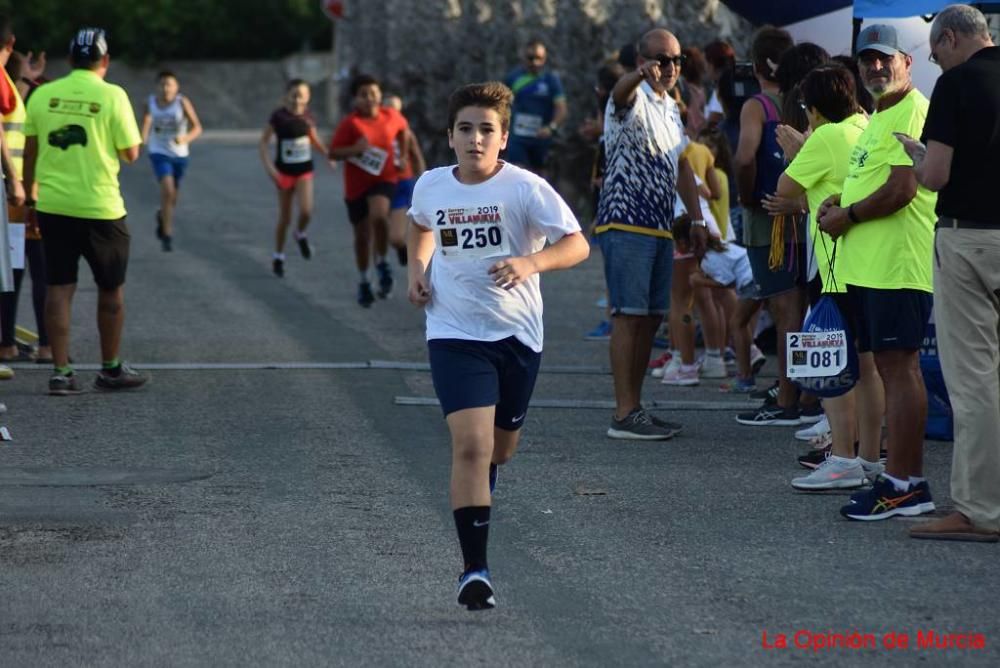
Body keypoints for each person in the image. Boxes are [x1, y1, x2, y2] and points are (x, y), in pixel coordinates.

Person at [406, 81, 589, 609]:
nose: (476, 139)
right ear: (450, 136)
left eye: (487, 130)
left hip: (516, 336)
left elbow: (577, 243)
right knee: (470, 446)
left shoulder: (525, 188)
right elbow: (418, 224)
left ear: (504, 138)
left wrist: (531, 262)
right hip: (453, 333)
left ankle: (481, 479)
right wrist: (417, 269)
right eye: (466, 129)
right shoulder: (432, 186)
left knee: (499, 451)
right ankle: (474, 571)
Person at [815, 25, 937, 520]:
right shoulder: (882, 114)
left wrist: (849, 215)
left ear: (907, 62)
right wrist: (838, 201)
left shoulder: (913, 109)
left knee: (900, 369)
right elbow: (872, 181)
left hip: (897, 265)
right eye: (867, 60)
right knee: (890, 369)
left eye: (886, 59)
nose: (877, 67)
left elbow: (902, 188)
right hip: (871, 268)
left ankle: (906, 484)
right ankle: (897, 479)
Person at [899, 5, 1000, 541]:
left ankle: (982, 511)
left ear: (954, 38)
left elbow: (934, 178)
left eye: (936, 53)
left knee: (976, 381)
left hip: (968, 238)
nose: (936, 63)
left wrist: (917, 158)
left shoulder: (956, 85)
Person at [766, 64, 885, 490]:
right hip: (868, 264)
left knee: (831, 360)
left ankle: (842, 458)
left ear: (812, 109)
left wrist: (801, 149)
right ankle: (870, 457)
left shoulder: (826, 136)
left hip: (833, 265)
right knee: (869, 366)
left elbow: (784, 188)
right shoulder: (865, 125)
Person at [22, 27, 148, 395]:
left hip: (53, 205)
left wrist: (31, 198)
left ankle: (61, 372)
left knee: (58, 287)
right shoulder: (113, 96)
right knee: (111, 289)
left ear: (70, 59)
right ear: (104, 61)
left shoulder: (44, 94)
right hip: (101, 208)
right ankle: (109, 369)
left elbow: (30, 151)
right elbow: (131, 153)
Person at [594, 28, 705, 439]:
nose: (670, 67)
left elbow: (682, 167)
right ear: (642, 61)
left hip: (659, 224)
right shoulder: (631, 96)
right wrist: (640, 75)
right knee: (628, 315)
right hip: (625, 221)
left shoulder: (670, 107)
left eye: (676, 60)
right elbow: (621, 93)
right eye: (661, 59)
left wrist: (696, 221)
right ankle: (624, 412)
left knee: (650, 318)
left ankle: (635, 407)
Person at [733, 27, 812, 427]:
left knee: (784, 311)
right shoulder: (805, 100)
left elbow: (746, 158)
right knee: (804, 308)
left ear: (760, 64)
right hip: (805, 216)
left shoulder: (759, 106)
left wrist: (746, 199)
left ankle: (786, 398)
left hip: (769, 219)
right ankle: (809, 391)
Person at [329, 74, 409, 306]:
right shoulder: (350, 124)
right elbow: (333, 153)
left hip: (384, 179)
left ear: (380, 96)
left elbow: (403, 130)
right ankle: (364, 280)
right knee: (362, 237)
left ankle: (382, 262)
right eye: (363, 94)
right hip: (356, 186)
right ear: (355, 99)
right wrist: (355, 149)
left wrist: (402, 155)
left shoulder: (390, 116)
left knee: (380, 215)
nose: (369, 98)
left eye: (373, 93)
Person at [0, 20, 46, 364]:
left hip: (13, 188)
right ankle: (21, 343)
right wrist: (17, 180)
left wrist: (27, 79)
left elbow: (14, 113)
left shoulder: (11, 89)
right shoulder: (5, 83)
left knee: (13, 267)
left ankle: (8, 342)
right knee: (27, 267)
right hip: (15, 190)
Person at [259, 79, 327, 278]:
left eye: (302, 96)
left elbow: (313, 139)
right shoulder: (278, 117)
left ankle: (300, 233)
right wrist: (271, 170)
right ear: (286, 96)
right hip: (284, 172)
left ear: (308, 98)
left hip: (304, 170)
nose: (297, 100)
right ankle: (278, 255)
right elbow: (263, 144)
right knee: (285, 217)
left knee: (306, 210)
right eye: (294, 95)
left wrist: (328, 155)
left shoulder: (308, 117)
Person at [140, 70, 202, 252]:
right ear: (156, 86)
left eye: (169, 84)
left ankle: (162, 215)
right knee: (167, 188)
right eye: (162, 84)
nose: (165, 88)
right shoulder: (149, 103)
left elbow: (197, 127)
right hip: (158, 152)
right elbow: (146, 121)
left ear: (176, 87)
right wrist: (141, 140)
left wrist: (185, 139)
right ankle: (167, 234)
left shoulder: (182, 103)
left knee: (173, 195)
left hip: (180, 154)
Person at [502, 40, 567, 177]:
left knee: (540, 177)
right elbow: (500, 106)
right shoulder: (512, 78)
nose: (535, 62)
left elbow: (561, 108)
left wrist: (551, 127)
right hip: (518, 138)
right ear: (523, 57)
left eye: (539, 58)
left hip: (541, 138)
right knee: (517, 174)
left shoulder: (551, 80)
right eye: (531, 58)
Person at [382, 93, 426, 268]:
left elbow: (416, 155)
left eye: (396, 109)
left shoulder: (405, 132)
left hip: (401, 183)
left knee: (396, 236)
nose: (392, 113)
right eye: (388, 108)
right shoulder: (375, 131)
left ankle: (403, 248)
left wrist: (424, 181)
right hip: (380, 184)